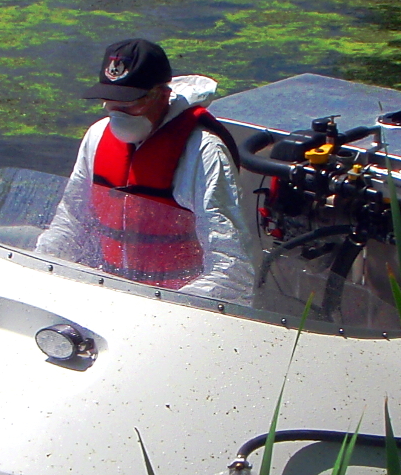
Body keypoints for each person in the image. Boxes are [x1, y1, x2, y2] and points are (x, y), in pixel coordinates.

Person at [35, 39, 257, 302]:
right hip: (107, 290)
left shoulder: (203, 151)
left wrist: (172, 309)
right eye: (110, 101)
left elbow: (231, 265)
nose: (117, 113)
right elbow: (71, 221)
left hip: (178, 303)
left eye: (129, 104)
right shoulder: (97, 136)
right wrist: (40, 270)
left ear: (161, 95)